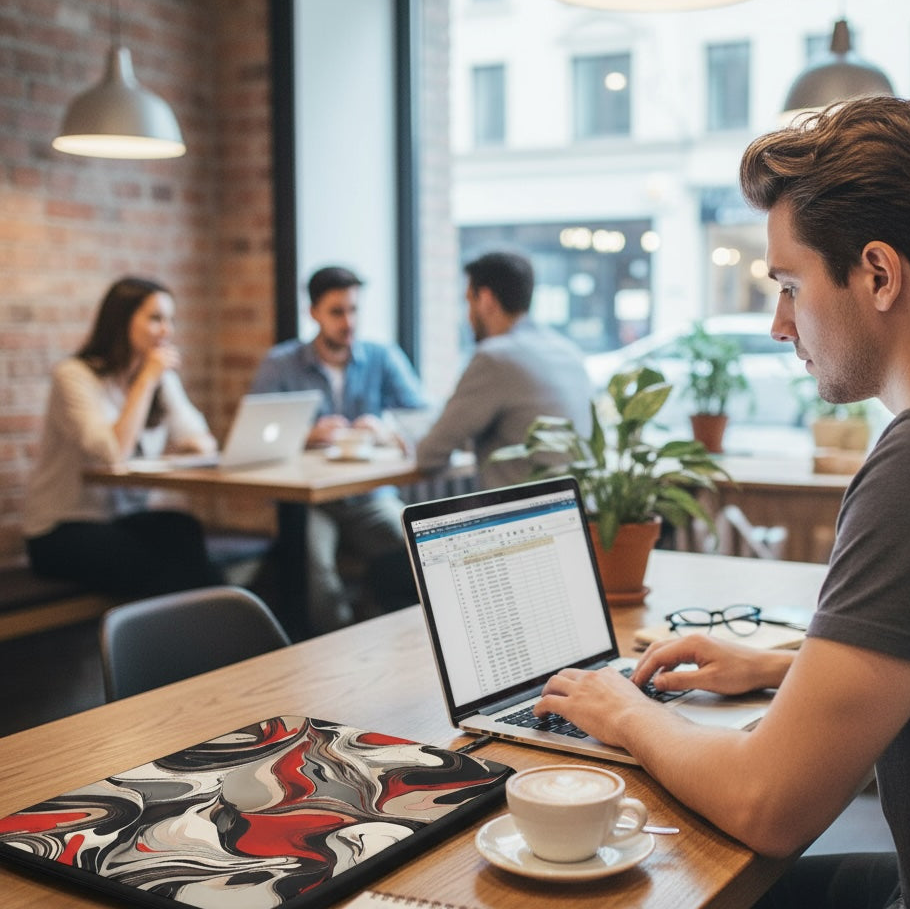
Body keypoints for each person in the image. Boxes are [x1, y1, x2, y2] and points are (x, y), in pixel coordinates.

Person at [535, 97, 910, 909]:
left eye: (790, 285)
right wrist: (777, 664)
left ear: (878, 273)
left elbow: (772, 805)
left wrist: (622, 708)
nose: (778, 324)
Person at [249, 265, 426, 632]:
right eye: (337, 312)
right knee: (316, 568)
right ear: (313, 312)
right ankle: (332, 649)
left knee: (418, 545)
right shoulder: (281, 364)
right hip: (314, 501)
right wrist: (304, 434)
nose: (348, 322)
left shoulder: (381, 356)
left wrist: (384, 428)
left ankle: (406, 634)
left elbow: (422, 416)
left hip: (369, 496)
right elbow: (251, 437)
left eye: (354, 310)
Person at [24, 277, 222, 597]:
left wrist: (187, 438)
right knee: (153, 565)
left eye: (170, 320)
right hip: (60, 528)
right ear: (121, 321)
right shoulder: (75, 376)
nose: (167, 331)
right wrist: (146, 379)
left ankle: (223, 632)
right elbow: (113, 453)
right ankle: (187, 640)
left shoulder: (160, 378)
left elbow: (203, 440)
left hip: (119, 520)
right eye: (156, 319)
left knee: (184, 531)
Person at [416, 250, 592, 489]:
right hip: (577, 515)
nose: (467, 316)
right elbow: (520, 427)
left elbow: (429, 455)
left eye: (468, 301)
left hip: (526, 519)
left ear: (486, 300)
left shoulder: (495, 358)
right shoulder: (566, 350)